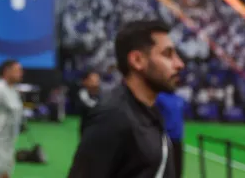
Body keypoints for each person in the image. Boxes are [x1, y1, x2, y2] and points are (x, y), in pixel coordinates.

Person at [68, 20, 184, 178]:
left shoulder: (150, 112)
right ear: (137, 60)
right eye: (167, 54)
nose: (179, 64)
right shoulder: (112, 118)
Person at [156, 91, 185, 178]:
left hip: (178, 138)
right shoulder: (160, 97)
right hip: (165, 138)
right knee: (165, 169)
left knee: (178, 169)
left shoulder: (179, 98)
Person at [76, 70, 101, 135]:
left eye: (97, 80)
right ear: (85, 81)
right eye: (92, 80)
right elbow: (89, 106)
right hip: (87, 127)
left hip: (101, 127)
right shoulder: (83, 93)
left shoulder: (102, 93)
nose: (95, 83)